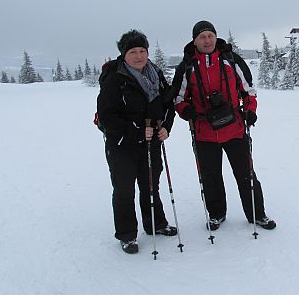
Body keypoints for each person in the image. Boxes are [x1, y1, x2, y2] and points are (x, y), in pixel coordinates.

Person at [171, 20, 276, 231]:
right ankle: (217, 214)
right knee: (210, 177)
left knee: (246, 173)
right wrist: (186, 111)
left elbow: (248, 90)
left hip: (235, 128)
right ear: (195, 40)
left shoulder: (231, 60)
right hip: (204, 132)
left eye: (210, 35)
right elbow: (178, 98)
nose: (207, 40)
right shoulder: (187, 66)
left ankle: (257, 214)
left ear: (215, 37)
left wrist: (250, 111)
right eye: (202, 37)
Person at [97, 29, 177, 254]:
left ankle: (156, 224)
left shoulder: (156, 75)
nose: (139, 56)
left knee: (151, 185)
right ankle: (127, 234)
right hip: (122, 145)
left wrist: (165, 127)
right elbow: (107, 117)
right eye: (133, 51)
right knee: (124, 190)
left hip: (151, 142)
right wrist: (137, 131)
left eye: (142, 50)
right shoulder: (115, 79)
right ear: (124, 54)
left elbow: (168, 104)